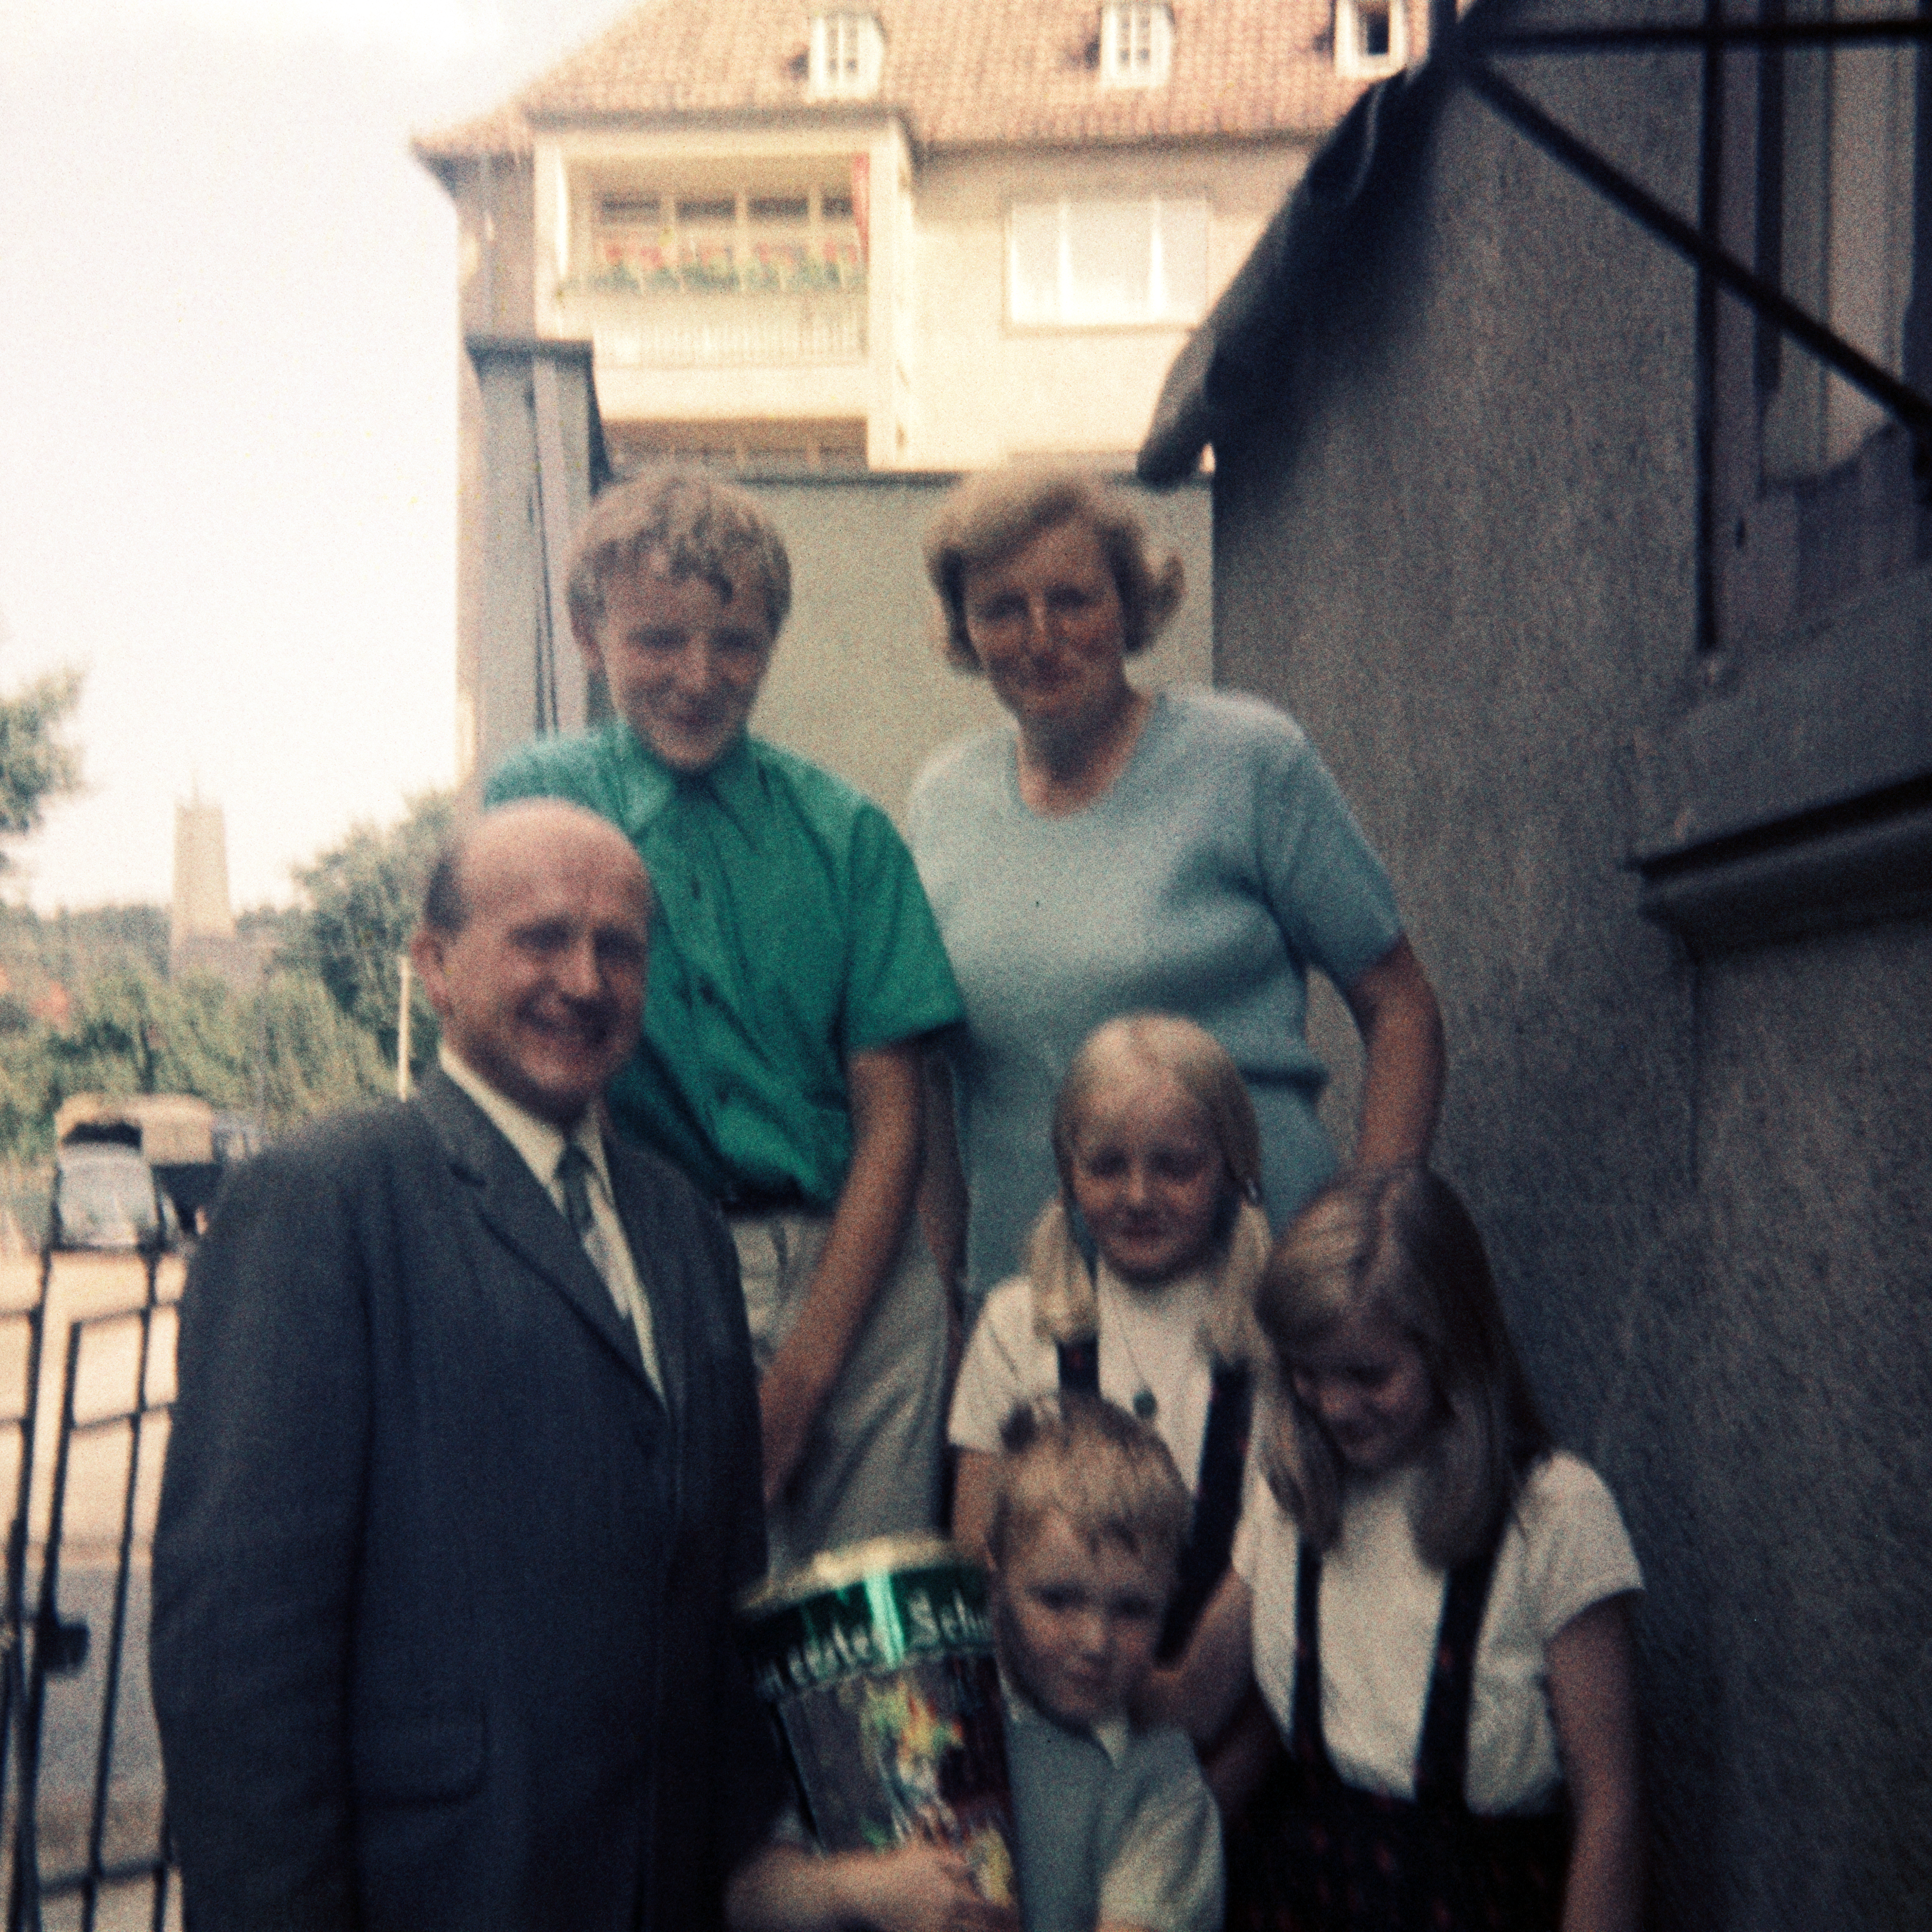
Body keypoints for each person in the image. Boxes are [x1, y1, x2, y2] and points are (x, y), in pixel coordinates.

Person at [150, 801, 783, 1932]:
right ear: (435, 967)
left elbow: (722, 1589)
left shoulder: (683, 1228)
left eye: (619, 948)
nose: (583, 980)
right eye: (540, 938)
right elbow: (239, 1656)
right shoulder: (324, 1203)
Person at [487, 468, 965, 1575]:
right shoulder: (544, 801)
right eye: (658, 641)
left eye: (736, 643)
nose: (699, 678)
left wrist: (802, 1380)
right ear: (588, 633)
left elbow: (894, 1121)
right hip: (659, 1250)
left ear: (772, 642)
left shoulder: (847, 835)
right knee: (667, 1608)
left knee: (867, 1630)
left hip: (855, 1271)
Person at [907, 466, 1446, 1319]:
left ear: (1128, 602)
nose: (1041, 636)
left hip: (1255, 1293)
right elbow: (932, 1087)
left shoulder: (1250, 761)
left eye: (1073, 599)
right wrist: (943, 1300)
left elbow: (1401, 1008)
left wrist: (1363, 1249)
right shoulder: (943, 801)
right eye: (1002, 608)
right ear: (966, 631)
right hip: (1037, 1306)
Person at [1154, 1166, 1643, 1932]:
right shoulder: (1293, 1498)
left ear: (1451, 1345)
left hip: (1477, 1898)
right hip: (1304, 1895)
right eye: (1308, 1374)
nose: (1334, 1405)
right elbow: (1195, 1695)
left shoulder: (1554, 1511)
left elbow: (1610, 1808)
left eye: (1367, 1374)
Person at [729, 1395, 1224, 1932]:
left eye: (1133, 1608)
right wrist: (864, 1889)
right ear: (995, 1579)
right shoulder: (923, 1705)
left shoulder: (1160, 1778)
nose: (1095, 1640)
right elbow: (749, 1897)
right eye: (1058, 1599)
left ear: (1168, 1599)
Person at [949, 1014, 1270, 1657]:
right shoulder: (1019, 1322)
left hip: (1220, 1697)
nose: (1138, 1195)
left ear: (1233, 1169)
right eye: (1106, 1166)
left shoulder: (1274, 1336)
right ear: (1068, 1174)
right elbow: (974, 1554)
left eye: (1175, 1168)